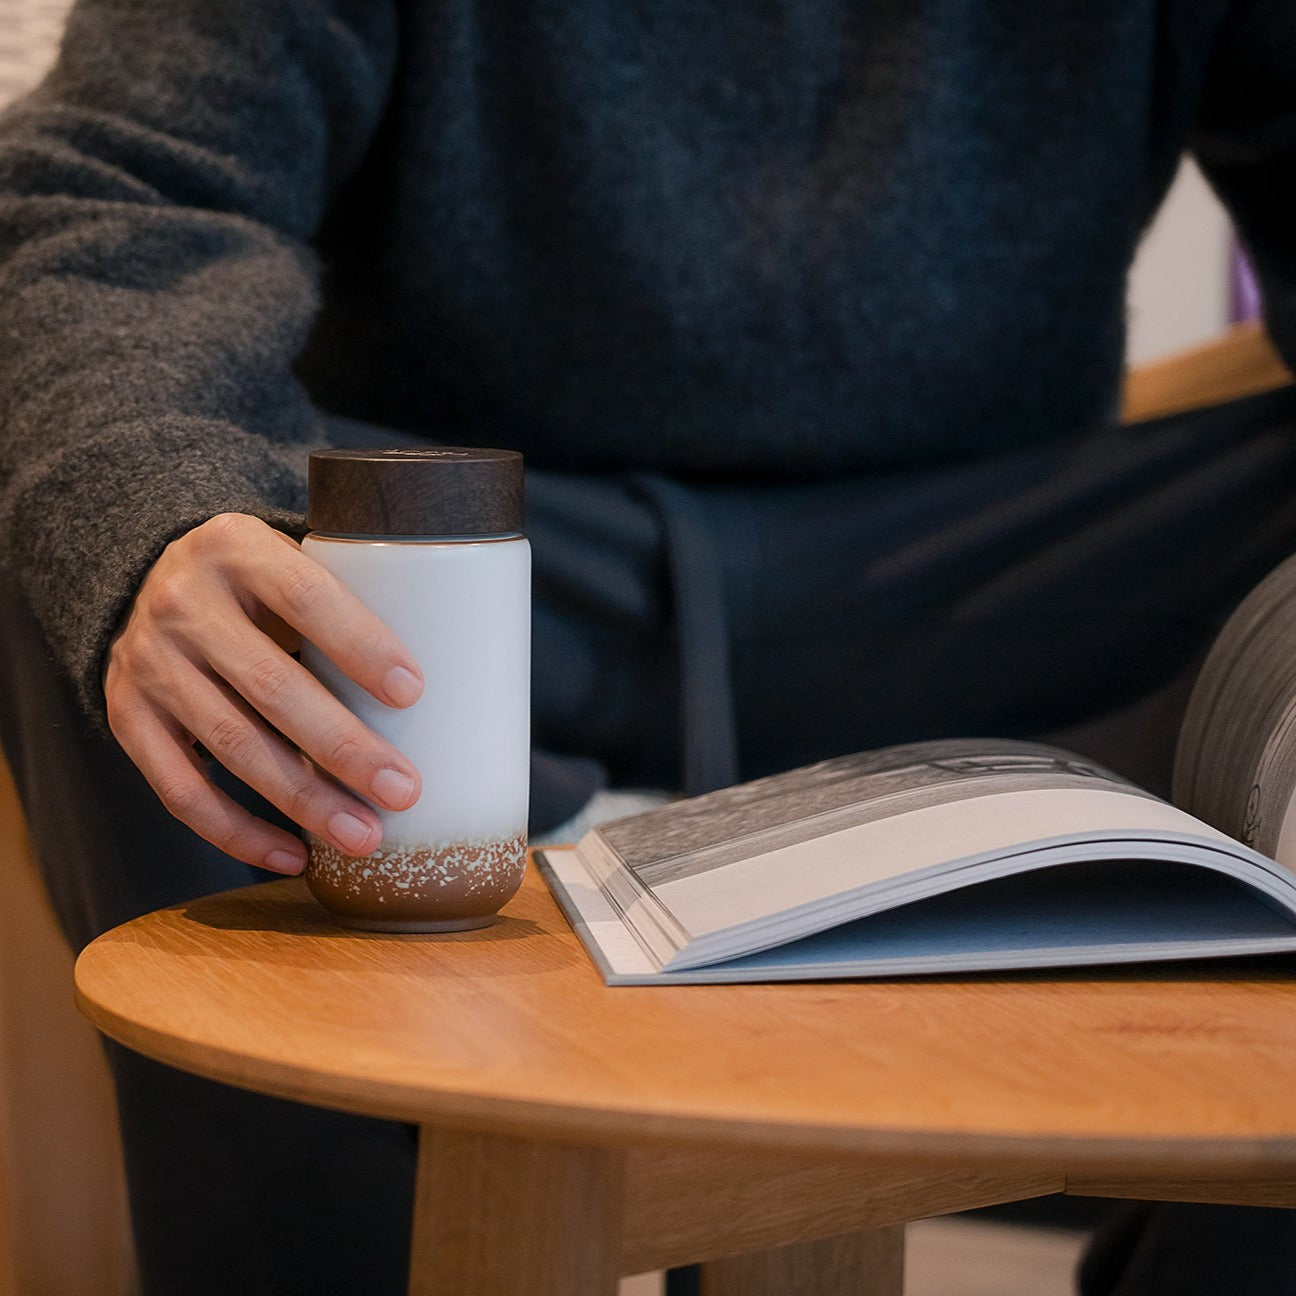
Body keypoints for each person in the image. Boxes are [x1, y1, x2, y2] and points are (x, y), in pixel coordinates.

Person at [1, 0, 1295, 1291]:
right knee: (154, 551)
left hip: (992, 576)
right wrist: (151, 504)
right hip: (466, 581)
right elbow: (106, 189)